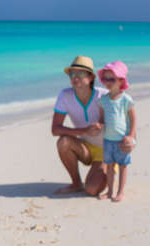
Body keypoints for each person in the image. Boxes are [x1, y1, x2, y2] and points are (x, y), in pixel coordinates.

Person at [51, 56, 108, 195]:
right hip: (85, 147)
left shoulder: (104, 95)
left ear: (90, 77)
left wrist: (102, 125)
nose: (75, 77)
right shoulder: (65, 95)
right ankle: (76, 183)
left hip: (106, 151)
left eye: (80, 73)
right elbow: (55, 129)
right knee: (63, 141)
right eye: (72, 73)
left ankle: (108, 171)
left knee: (92, 190)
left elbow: (121, 123)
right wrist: (84, 131)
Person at [97, 61, 136, 202]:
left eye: (111, 79)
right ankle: (109, 191)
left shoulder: (126, 99)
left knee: (123, 166)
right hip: (108, 139)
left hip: (122, 140)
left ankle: (120, 192)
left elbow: (133, 119)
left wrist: (131, 136)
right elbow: (101, 119)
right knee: (109, 166)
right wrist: (99, 125)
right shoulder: (103, 100)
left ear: (121, 80)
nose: (107, 82)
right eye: (105, 79)